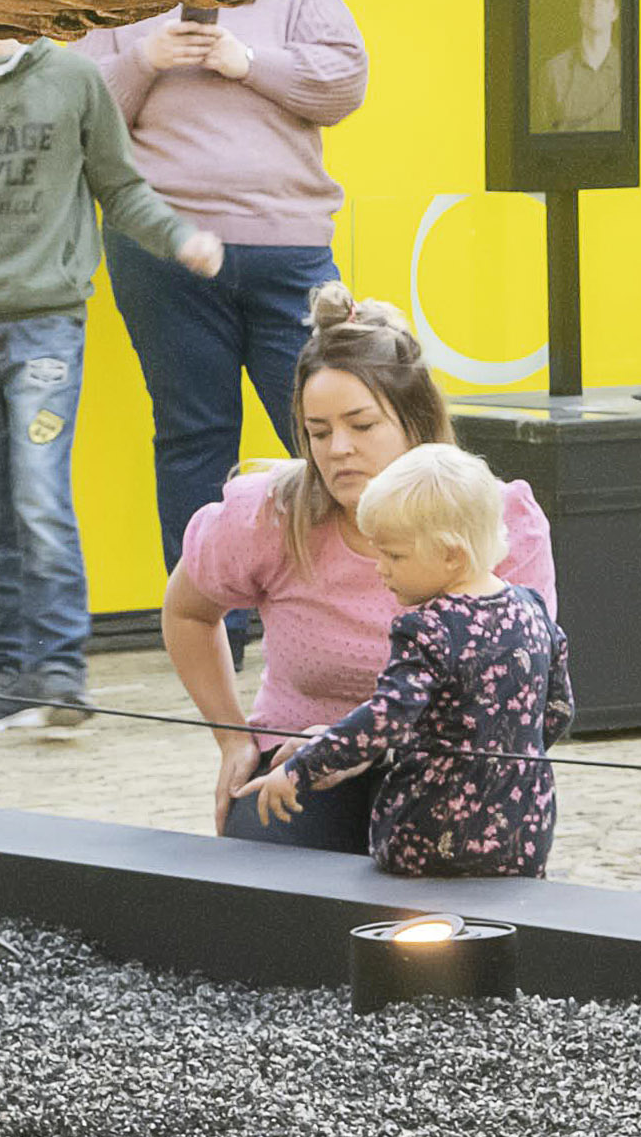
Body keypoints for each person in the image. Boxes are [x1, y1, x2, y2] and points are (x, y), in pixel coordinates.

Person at [0, 19, 218, 737]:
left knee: (39, 496)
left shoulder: (74, 80)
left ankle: (63, 673)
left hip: (46, 326)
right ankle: (10, 673)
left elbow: (119, 186)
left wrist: (178, 237)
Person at [162, 286, 555, 852]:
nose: (338, 449)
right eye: (319, 432)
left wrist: (357, 741)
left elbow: (532, 692)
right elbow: (188, 613)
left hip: (451, 772)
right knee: (266, 869)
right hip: (298, 760)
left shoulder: (500, 519)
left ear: (415, 422)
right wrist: (233, 741)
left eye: (362, 426)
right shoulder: (268, 512)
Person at [78, 0, 372, 593]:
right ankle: (212, 627)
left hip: (289, 245)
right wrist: (144, 59)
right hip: (162, 249)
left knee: (338, 426)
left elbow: (345, 83)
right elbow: (76, 110)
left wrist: (248, 63)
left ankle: (368, 600)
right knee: (193, 434)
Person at [240, 443, 573, 877]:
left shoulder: (428, 627)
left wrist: (302, 768)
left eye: (394, 555)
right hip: (524, 832)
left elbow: (387, 719)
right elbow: (560, 712)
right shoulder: (532, 610)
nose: (381, 568)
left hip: (429, 835)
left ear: (452, 554)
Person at [530, 0, 626, 135]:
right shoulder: (553, 71)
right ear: (580, 8)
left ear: (615, 12)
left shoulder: (630, 70)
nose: (595, 3)